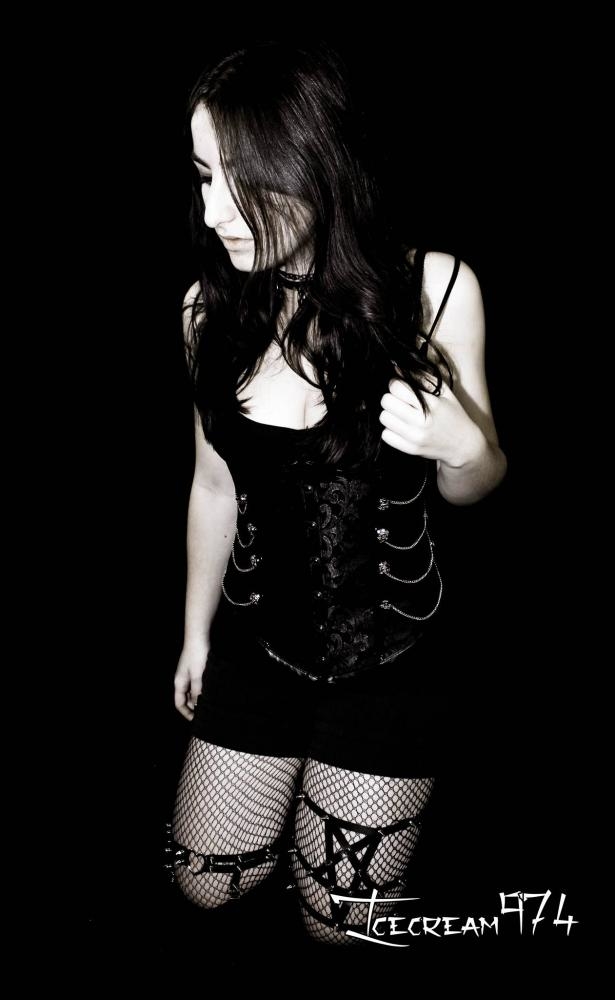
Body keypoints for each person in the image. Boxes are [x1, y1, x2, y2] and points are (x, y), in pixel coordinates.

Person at [165, 40, 507, 946]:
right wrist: (196, 633)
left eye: (240, 181)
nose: (213, 212)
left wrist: (463, 448)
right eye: (201, 177)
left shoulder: (433, 289)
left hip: (398, 658)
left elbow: (477, 483)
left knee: (339, 927)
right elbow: (212, 484)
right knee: (202, 884)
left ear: (314, 163)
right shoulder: (205, 311)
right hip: (259, 645)